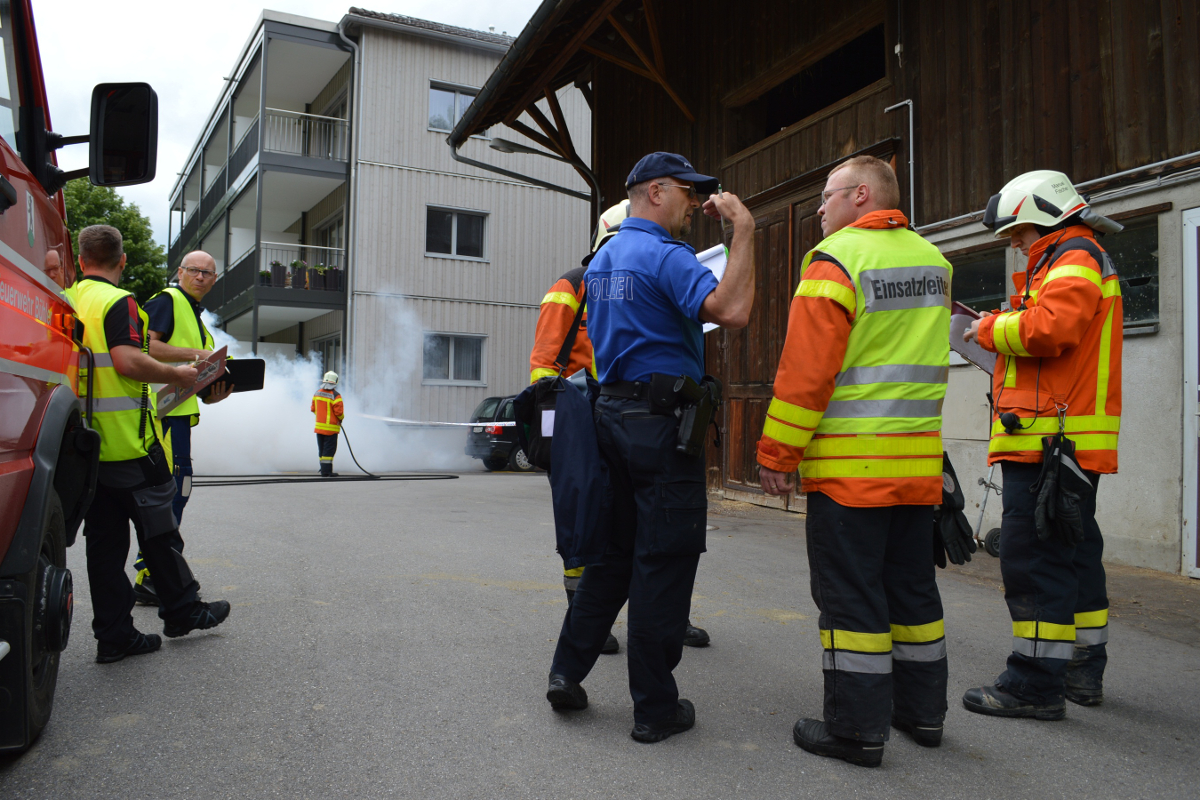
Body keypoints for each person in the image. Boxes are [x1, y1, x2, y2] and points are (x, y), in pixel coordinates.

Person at [545, 152, 754, 743]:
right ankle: (655, 709)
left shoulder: (604, 260)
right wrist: (743, 231)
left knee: (611, 557)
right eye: (688, 193)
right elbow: (733, 310)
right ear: (657, 192)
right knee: (663, 561)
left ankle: (566, 672)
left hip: (610, 418)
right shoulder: (668, 256)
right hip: (661, 428)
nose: (695, 204)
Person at [757, 155, 953, 767]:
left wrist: (777, 453)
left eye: (827, 195)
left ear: (862, 195)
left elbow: (805, 374)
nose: (819, 207)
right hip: (916, 468)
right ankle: (922, 714)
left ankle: (856, 730)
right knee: (912, 592)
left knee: (851, 597)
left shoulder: (836, 261)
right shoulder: (934, 261)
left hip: (851, 470)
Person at [961, 169, 1122, 720]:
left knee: (1034, 559)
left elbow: (1051, 330)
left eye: (1018, 231)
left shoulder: (1072, 256)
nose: (1014, 242)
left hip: (1047, 441)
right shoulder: (1078, 254)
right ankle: (1082, 668)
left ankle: (1033, 685)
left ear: (1046, 217)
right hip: (1065, 439)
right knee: (1074, 550)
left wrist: (988, 330)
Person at [531, 200, 712, 654]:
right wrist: (558, 441)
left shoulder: (648, 275)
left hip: (624, 415)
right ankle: (587, 621)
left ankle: (669, 617)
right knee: (588, 522)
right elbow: (544, 368)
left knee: (656, 525)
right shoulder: (574, 284)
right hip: (583, 419)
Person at [66, 225, 230, 663]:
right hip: (129, 441)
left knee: (104, 545)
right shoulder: (119, 301)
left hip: (83, 443)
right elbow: (128, 360)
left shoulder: (67, 298)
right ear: (122, 261)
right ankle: (182, 611)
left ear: (80, 260)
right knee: (160, 529)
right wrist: (180, 374)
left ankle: (115, 636)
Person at [133, 250, 232, 605]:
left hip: (177, 414)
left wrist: (213, 395)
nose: (201, 277)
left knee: (179, 492)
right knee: (172, 493)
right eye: (194, 270)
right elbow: (146, 346)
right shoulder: (167, 300)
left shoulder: (195, 315)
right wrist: (196, 354)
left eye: (208, 273)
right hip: (162, 417)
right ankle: (152, 575)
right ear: (180, 272)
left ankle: (158, 573)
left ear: (214, 280)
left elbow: (193, 376)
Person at [312, 372, 344, 476]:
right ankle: (326, 472)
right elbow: (339, 413)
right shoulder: (336, 396)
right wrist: (341, 419)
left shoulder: (317, 393)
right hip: (331, 429)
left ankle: (323, 469)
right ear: (335, 382)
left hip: (319, 428)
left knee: (322, 450)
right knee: (329, 451)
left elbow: (313, 409)